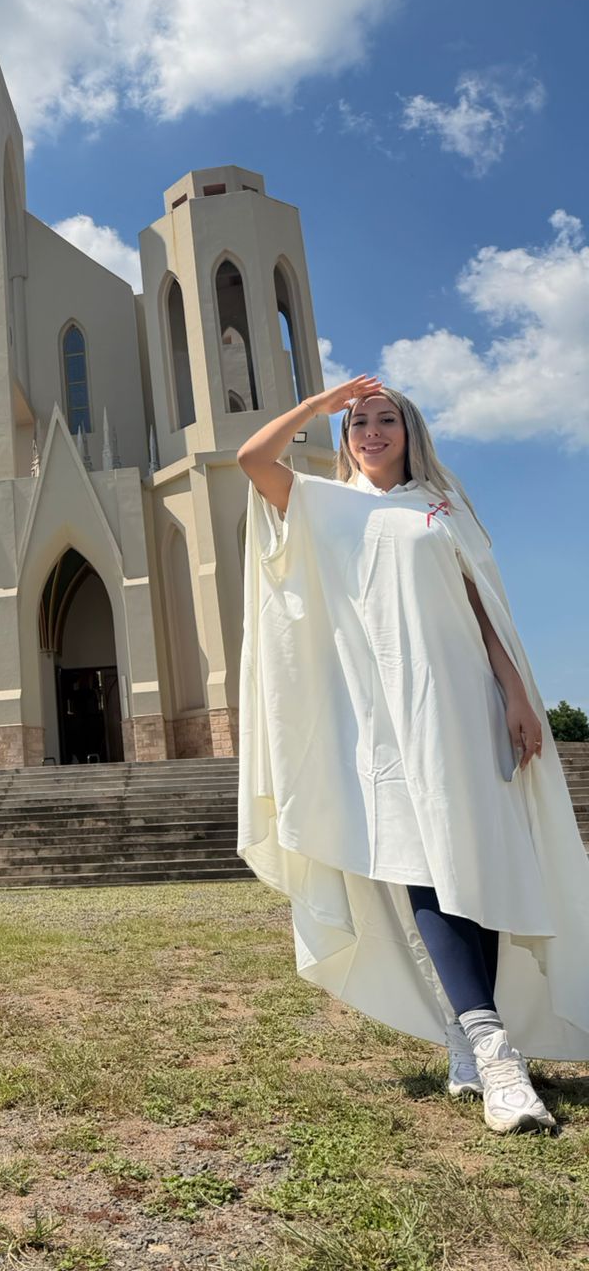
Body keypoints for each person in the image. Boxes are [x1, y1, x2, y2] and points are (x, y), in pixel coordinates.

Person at [237, 375, 589, 1135]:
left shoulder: (441, 505)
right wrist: (315, 405)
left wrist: (518, 694)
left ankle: (469, 1039)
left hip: (467, 703)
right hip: (384, 716)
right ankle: (497, 1058)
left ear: (409, 429)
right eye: (358, 421)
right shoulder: (323, 502)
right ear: (343, 433)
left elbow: (481, 606)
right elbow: (251, 458)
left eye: (384, 418)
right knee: (425, 863)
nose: (370, 430)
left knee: (479, 861)